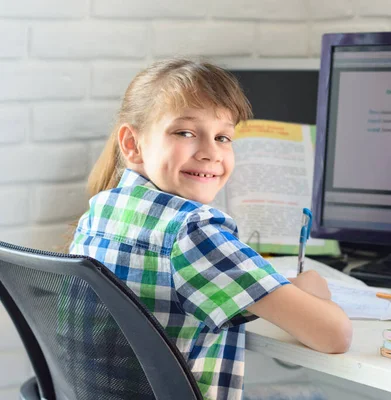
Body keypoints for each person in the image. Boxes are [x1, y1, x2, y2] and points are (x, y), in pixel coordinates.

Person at [69, 58, 353, 400]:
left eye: (223, 136)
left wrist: (276, 291)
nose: (210, 152)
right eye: (185, 132)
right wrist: (310, 290)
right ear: (133, 144)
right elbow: (335, 336)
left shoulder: (101, 210)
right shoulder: (193, 229)